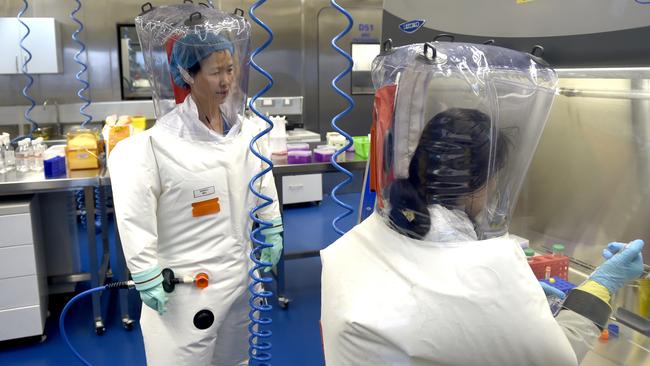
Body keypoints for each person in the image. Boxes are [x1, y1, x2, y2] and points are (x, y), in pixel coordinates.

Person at [320, 43, 645, 366]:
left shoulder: (374, 233)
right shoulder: (484, 268)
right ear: (478, 185)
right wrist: (602, 286)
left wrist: (516, 307)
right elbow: (556, 358)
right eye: (494, 178)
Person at [108, 6, 282, 365]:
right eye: (216, 71)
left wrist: (273, 223)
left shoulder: (248, 134)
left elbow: (262, 182)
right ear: (187, 74)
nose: (226, 81)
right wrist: (144, 271)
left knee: (237, 361)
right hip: (186, 291)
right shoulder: (154, 147)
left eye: (230, 69)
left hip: (242, 278)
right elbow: (135, 213)